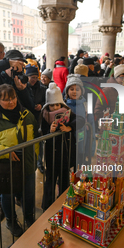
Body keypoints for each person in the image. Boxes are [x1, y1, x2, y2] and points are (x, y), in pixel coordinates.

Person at [0, 84, 39, 237]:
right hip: (5, 168)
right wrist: (4, 152)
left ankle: (29, 217)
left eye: (13, 98)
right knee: (7, 195)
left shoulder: (27, 115)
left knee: (28, 193)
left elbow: (35, 136)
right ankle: (11, 221)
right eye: (6, 100)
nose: (11, 102)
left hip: (27, 164)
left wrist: (35, 156)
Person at [40, 83, 84, 211]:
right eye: (52, 105)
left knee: (65, 180)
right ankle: (47, 206)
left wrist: (69, 127)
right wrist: (50, 131)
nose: (55, 108)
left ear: (61, 104)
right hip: (52, 155)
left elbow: (80, 120)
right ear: (48, 105)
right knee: (50, 181)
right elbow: (41, 132)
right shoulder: (44, 115)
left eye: (57, 105)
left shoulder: (68, 113)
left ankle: (64, 203)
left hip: (66, 154)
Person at [0, 49, 35, 115]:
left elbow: (31, 107)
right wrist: (6, 63)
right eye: (16, 64)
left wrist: (23, 91)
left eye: (20, 64)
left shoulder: (22, 81)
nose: (18, 68)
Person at [64, 74, 96, 166]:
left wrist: (91, 149)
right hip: (68, 143)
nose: (74, 92)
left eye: (77, 89)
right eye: (71, 89)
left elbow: (91, 125)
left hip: (82, 142)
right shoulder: (64, 106)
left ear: (81, 91)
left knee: (80, 165)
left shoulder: (86, 105)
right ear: (67, 91)